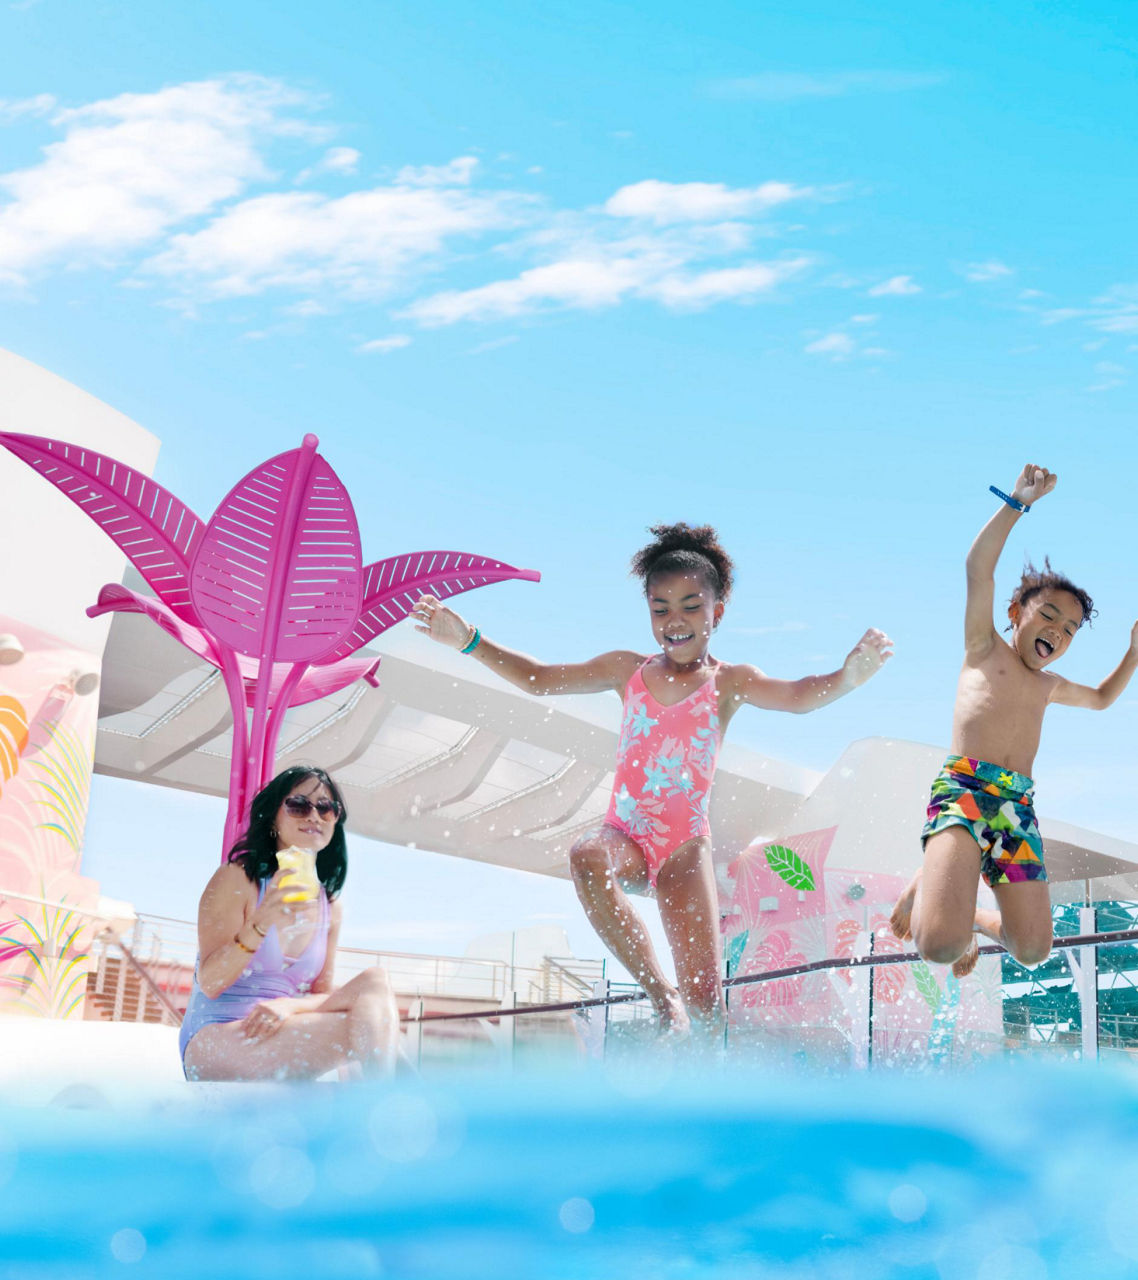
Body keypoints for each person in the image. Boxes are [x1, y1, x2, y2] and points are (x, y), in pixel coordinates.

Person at [413, 523, 892, 1040]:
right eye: (660, 608)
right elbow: (541, 679)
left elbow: (798, 695)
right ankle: (660, 994)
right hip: (627, 836)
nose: (675, 621)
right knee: (586, 855)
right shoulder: (628, 671)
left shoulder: (730, 682)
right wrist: (468, 641)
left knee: (708, 1009)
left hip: (684, 850)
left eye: (690, 606)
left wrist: (847, 677)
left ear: (718, 613)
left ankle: (708, 1075)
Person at [891, 465, 1138, 978]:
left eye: (1069, 629)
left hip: (1016, 807)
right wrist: (1017, 503)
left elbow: (1100, 699)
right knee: (938, 945)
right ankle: (934, 883)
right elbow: (977, 567)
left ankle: (976, 917)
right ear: (1015, 612)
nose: (1058, 631)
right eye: (1048, 615)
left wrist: (1133, 655)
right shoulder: (983, 647)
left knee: (1032, 950)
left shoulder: (1049, 685)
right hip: (963, 791)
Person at [180, 765, 400, 1080]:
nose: (314, 816)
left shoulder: (331, 908)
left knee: (374, 982)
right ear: (273, 818)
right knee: (365, 1026)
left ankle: (382, 1109)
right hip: (216, 1037)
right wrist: (260, 922)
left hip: (283, 1029)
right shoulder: (237, 879)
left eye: (326, 809)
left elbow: (323, 997)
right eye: (299, 806)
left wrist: (288, 1007)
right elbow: (211, 983)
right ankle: (387, 1112)